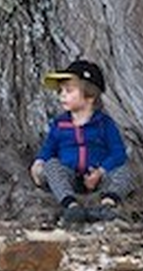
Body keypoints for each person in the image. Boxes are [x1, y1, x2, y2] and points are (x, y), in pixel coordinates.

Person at [30, 58, 133, 224]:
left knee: (124, 171)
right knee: (52, 166)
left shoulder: (103, 123)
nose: (62, 95)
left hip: (98, 176)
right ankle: (71, 206)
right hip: (70, 175)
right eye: (61, 91)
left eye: (69, 91)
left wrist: (100, 172)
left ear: (90, 96)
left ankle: (106, 205)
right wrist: (39, 162)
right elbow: (49, 148)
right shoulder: (60, 124)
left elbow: (118, 153)